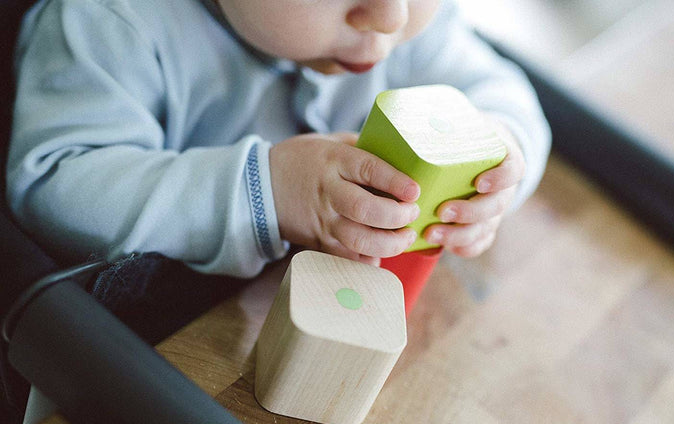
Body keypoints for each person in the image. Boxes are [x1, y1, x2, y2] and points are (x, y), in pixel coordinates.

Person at [6, 0, 551, 279]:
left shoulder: (410, 22)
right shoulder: (110, 23)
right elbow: (55, 185)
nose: (390, 16)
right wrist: (268, 191)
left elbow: (501, 93)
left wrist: (496, 159)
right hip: (163, 363)